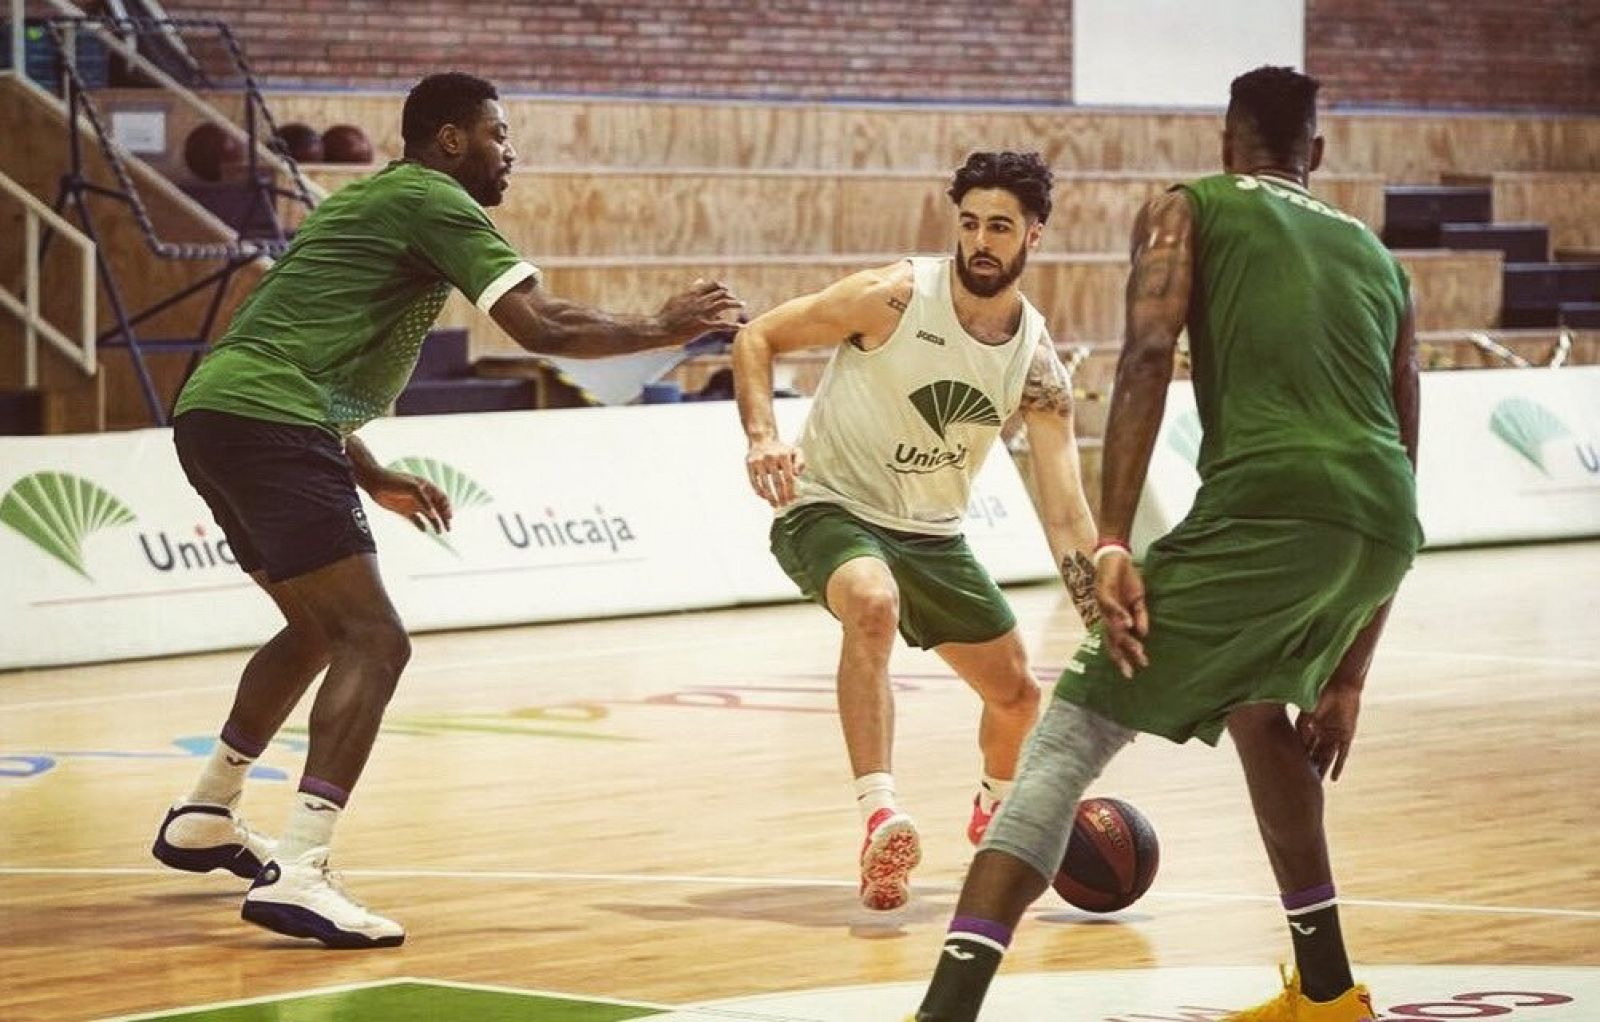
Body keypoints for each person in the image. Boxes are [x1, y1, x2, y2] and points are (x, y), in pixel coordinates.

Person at [150, 72, 742, 948]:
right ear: (452, 139)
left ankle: (208, 809)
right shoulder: (432, 198)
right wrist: (664, 325)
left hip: (217, 415)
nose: (513, 153)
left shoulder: (377, 201)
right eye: (500, 135)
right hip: (270, 424)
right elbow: (540, 326)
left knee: (318, 630)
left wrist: (369, 468)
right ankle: (301, 871)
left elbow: (284, 350)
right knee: (374, 640)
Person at [910, 66, 1420, 1022]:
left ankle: (945, 1012)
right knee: (1262, 713)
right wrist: (1351, 672)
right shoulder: (1382, 261)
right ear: (1316, 153)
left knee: (1066, 738)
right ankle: (1327, 993)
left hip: (1269, 506)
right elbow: (1405, 468)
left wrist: (1111, 541)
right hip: (1379, 527)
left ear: (1229, 141)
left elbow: (1147, 353)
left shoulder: (1188, 207)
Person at [733, 151, 1102, 913]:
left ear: (1034, 235)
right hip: (829, 505)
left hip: (932, 533)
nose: (980, 241)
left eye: (1000, 226)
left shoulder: (1035, 359)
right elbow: (757, 337)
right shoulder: (894, 297)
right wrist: (763, 435)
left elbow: (1064, 509)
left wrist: (1101, 610)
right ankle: (880, 817)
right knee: (871, 601)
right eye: (969, 223)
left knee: (1017, 697)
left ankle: (994, 812)